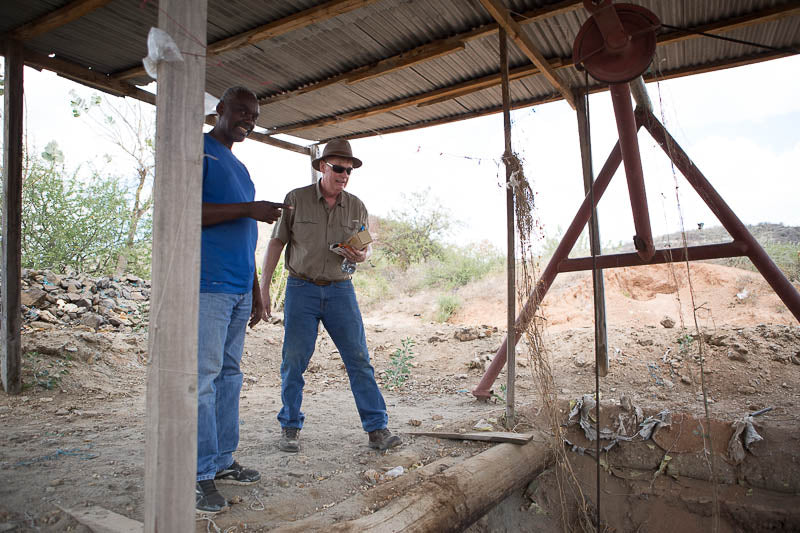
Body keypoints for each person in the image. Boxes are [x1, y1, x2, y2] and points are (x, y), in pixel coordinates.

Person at [260, 139, 402, 453]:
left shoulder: (356, 205)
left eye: (349, 171)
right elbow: (276, 243)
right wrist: (264, 286)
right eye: (338, 168)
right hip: (301, 289)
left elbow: (363, 248)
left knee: (359, 359)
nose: (344, 175)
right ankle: (290, 427)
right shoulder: (295, 199)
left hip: (341, 291)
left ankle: (377, 429)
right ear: (323, 167)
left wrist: (362, 255)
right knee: (294, 361)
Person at [196, 86, 290, 514]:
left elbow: (246, 236)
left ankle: (222, 461)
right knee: (202, 380)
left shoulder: (240, 166)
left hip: (236, 287)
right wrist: (246, 208)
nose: (247, 120)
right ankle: (197, 475)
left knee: (229, 376)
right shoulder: (199, 150)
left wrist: (255, 289)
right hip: (207, 285)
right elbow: (186, 211)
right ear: (220, 110)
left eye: (253, 115)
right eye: (240, 111)